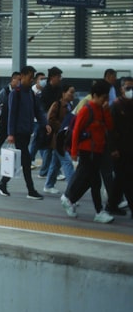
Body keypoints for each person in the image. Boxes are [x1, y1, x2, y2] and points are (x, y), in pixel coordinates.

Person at [61, 80, 115, 222]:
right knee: (94, 181)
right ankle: (98, 211)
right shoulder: (86, 109)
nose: (106, 100)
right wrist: (73, 152)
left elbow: (109, 126)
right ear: (95, 96)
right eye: (104, 97)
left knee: (88, 181)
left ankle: (69, 198)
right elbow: (76, 131)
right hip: (87, 151)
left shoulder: (102, 109)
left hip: (98, 151)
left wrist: (107, 110)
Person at [0, 65, 48, 199]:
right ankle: (30, 190)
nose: (32, 80)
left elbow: (38, 110)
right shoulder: (16, 93)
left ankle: (2, 183)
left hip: (26, 132)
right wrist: (11, 133)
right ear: (23, 76)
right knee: (25, 161)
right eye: (30, 77)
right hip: (18, 133)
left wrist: (45, 123)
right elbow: (11, 114)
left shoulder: (30, 93)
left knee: (21, 161)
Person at [105, 76, 133, 217]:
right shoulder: (116, 105)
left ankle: (111, 205)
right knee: (126, 178)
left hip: (130, 148)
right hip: (119, 149)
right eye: (128, 88)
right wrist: (113, 149)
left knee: (122, 179)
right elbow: (109, 129)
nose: (131, 91)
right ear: (121, 89)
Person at [42, 84, 77, 195]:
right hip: (58, 139)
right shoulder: (57, 104)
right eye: (70, 92)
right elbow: (50, 119)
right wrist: (63, 127)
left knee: (56, 163)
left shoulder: (69, 106)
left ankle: (49, 185)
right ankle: (72, 190)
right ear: (63, 93)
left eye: (73, 92)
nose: (73, 95)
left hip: (64, 139)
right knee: (67, 163)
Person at [0, 72, 21, 158]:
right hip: (5, 123)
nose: (20, 82)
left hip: (15, 123)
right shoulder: (4, 92)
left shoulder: (19, 91)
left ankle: (19, 161)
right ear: (13, 79)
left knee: (19, 144)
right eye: (18, 80)